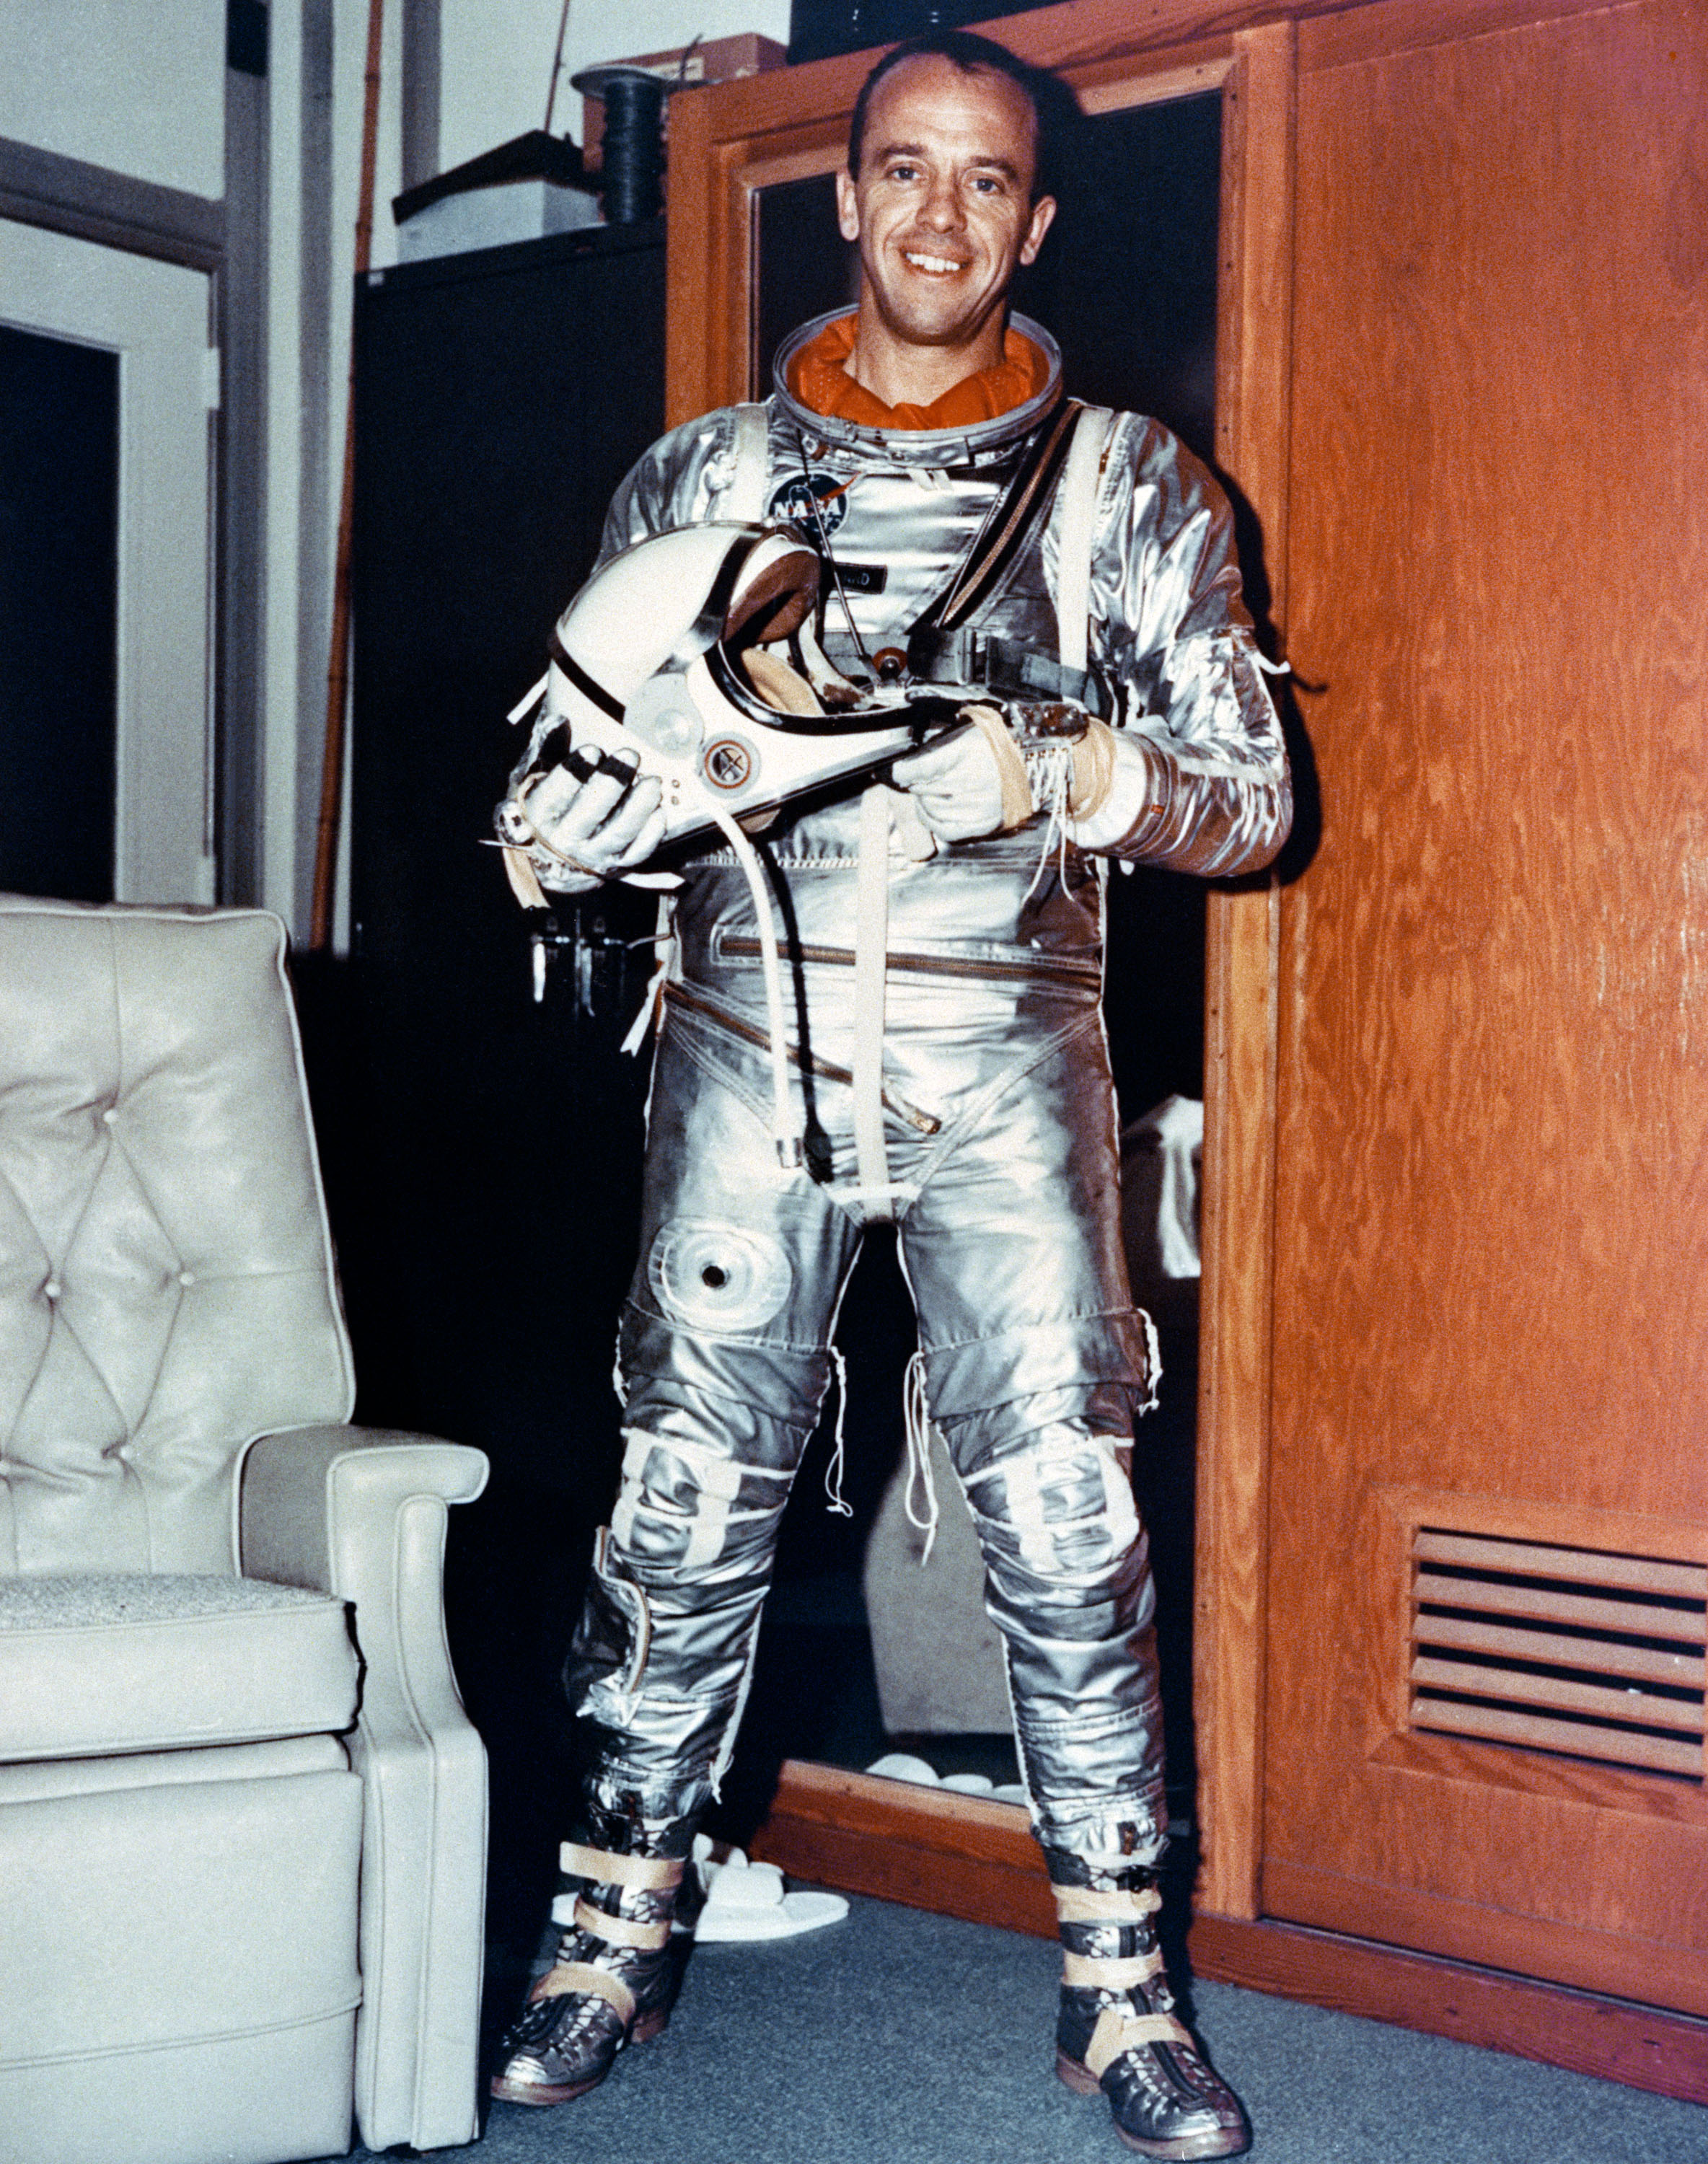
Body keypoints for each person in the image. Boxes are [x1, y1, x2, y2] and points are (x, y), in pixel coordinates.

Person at [488, 32, 1290, 2160]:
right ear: (843, 198)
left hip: (1007, 1050)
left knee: (1066, 1511)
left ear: (1036, 219)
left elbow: (1256, 798)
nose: (941, 218)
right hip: (746, 1042)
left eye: (986, 185)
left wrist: (1074, 768)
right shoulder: (698, 482)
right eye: (903, 175)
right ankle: (608, 1933)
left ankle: (1123, 1989)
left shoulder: (1128, 489)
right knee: (686, 1495)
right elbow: (581, 760)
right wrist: (557, 842)